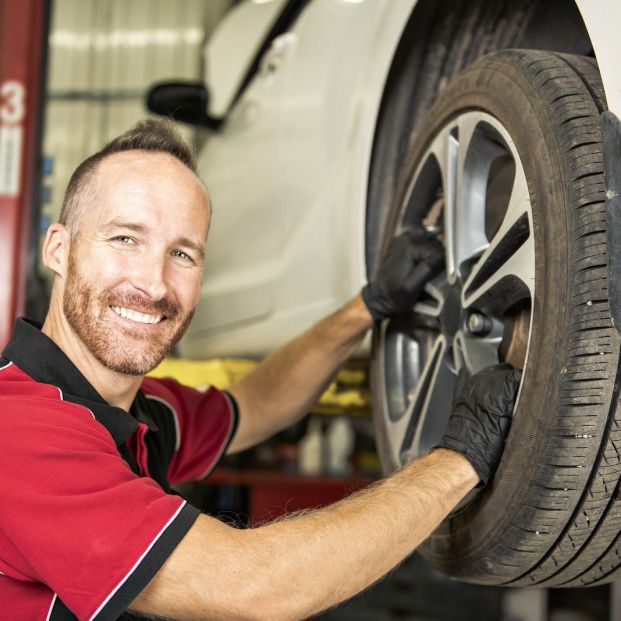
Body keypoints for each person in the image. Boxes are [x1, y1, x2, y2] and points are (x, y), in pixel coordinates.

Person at [0, 119, 521, 621]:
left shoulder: (137, 410)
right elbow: (257, 586)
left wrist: (369, 306)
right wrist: (460, 459)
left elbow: (257, 404)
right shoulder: (17, 430)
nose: (155, 284)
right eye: (124, 239)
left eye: (182, 253)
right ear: (59, 250)